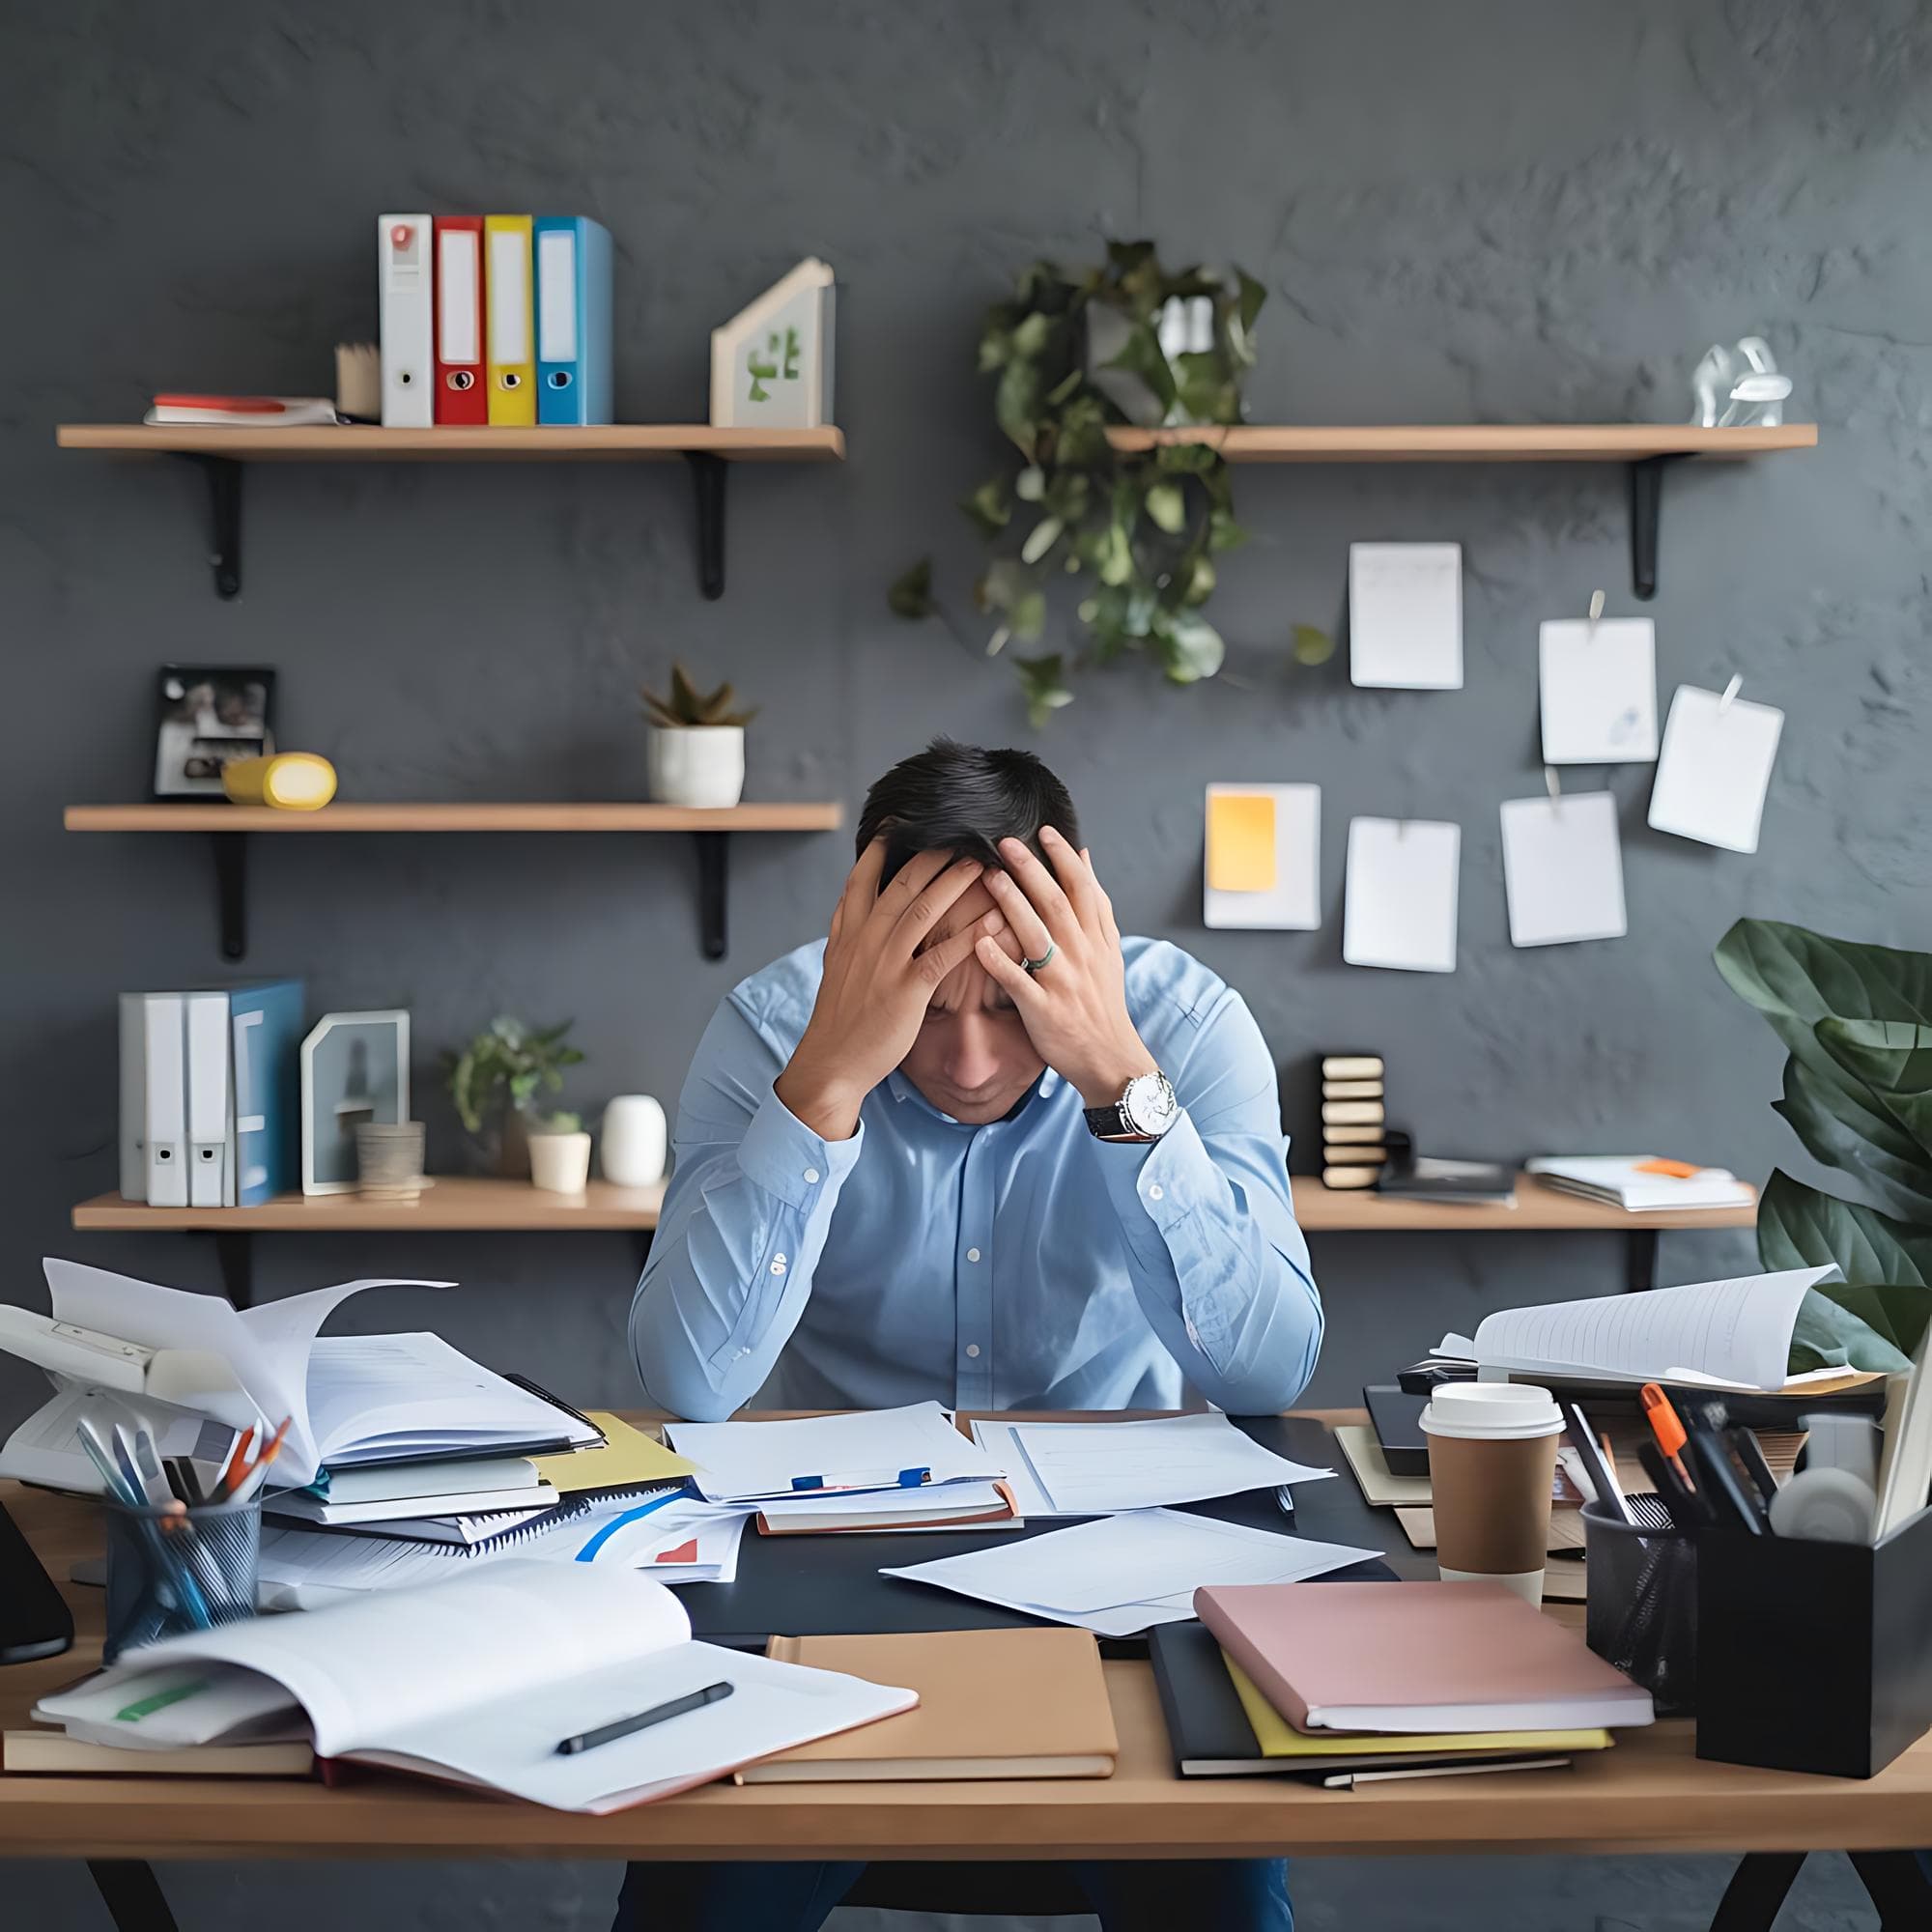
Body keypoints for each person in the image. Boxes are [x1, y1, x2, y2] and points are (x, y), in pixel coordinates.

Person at [622, 739, 1321, 1932]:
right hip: (826, 1583)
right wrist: (830, 1078)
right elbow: (688, 1378)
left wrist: (1114, 1076)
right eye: (927, 1002)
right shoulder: (776, 1031)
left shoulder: (1183, 1028)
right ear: (860, 944)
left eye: (1007, 1000)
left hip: (1131, 1592)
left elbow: (1267, 1368)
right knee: (695, 1893)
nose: (968, 1058)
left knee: (1222, 1896)